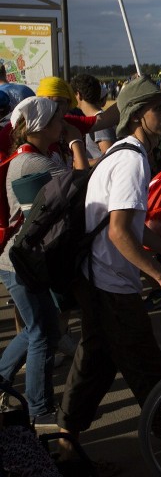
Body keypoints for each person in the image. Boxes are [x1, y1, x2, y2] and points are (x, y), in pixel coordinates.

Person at [56, 76, 161, 462]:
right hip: (111, 283)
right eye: (158, 108)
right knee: (148, 368)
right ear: (136, 115)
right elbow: (120, 233)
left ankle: (66, 443)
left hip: (95, 278)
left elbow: (132, 230)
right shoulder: (132, 160)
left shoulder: (122, 153)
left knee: (95, 363)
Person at [0, 97, 87, 427]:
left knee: (40, 329)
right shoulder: (32, 164)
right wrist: (77, 141)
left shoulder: (37, 156)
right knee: (41, 336)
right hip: (20, 263)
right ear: (40, 127)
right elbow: (81, 183)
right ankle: (39, 412)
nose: (62, 123)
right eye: (56, 120)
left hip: (19, 260)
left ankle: (2, 382)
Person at [71, 74, 116, 160]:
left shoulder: (101, 124)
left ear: (78, 94)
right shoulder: (101, 118)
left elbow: (110, 157)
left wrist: (82, 163)